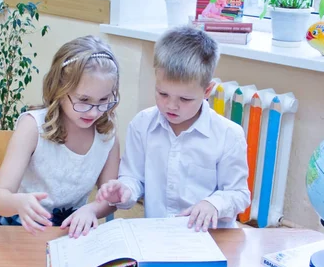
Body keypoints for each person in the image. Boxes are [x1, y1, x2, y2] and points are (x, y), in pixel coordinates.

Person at [96, 26, 250, 232]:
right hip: (158, 236)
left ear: (207, 91)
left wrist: (214, 204)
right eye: (163, 93)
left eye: (185, 99)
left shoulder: (228, 135)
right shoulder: (142, 125)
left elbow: (239, 194)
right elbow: (133, 178)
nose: (171, 106)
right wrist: (124, 190)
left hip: (209, 239)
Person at [0, 35, 120, 238]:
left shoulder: (107, 135)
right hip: (19, 224)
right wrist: (19, 202)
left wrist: (92, 209)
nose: (93, 112)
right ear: (59, 90)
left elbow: (109, 198)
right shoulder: (33, 127)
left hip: (70, 229)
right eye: (84, 100)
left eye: (104, 99)